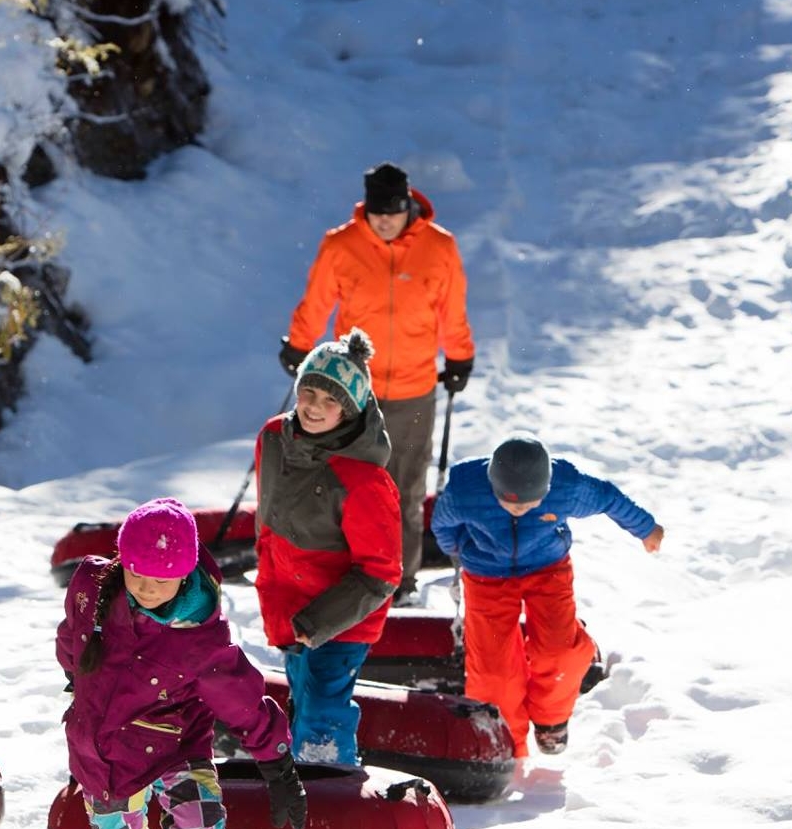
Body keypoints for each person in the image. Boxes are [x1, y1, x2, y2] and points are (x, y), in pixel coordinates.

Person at [58, 499, 305, 829]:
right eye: (135, 573)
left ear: (185, 572)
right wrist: (74, 674)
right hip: (104, 751)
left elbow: (242, 701)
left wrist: (277, 764)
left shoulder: (199, 639)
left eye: (161, 579)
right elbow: (72, 633)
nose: (147, 589)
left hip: (175, 743)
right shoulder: (92, 587)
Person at [282, 161, 474, 604]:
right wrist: (298, 344)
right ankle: (342, 572)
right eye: (376, 211)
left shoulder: (439, 247)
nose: (384, 220)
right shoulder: (341, 244)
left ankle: (399, 582)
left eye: (393, 210)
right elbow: (316, 301)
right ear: (364, 209)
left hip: (414, 388)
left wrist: (461, 355)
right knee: (344, 484)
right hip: (352, 391)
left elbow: (453, 308)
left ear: (409, 205)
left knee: (404, 490)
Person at [430, 434, 662, 758]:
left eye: (529, 504)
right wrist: (460, 549)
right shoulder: (466, 490)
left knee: (560, 652)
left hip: (547, 569)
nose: (520, 510)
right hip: (486, 575)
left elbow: (608, 497)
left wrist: (646, 528)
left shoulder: (566, 487)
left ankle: (551, 721)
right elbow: (442, 525)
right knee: (493, 671)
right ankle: (506, 742)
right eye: (511, 504)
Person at [253, 329, 402, 765]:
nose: (314, 406)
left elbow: (381, 573)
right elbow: (269, 517)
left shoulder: (364, 481)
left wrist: (319, 622)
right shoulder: (274, 440)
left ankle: (328, 780)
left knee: (323, 708)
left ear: (351, 409)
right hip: (289, 605)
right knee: (302, 692)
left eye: (330, 400)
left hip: (340, 619)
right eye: (309, 392)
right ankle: (300, 773)